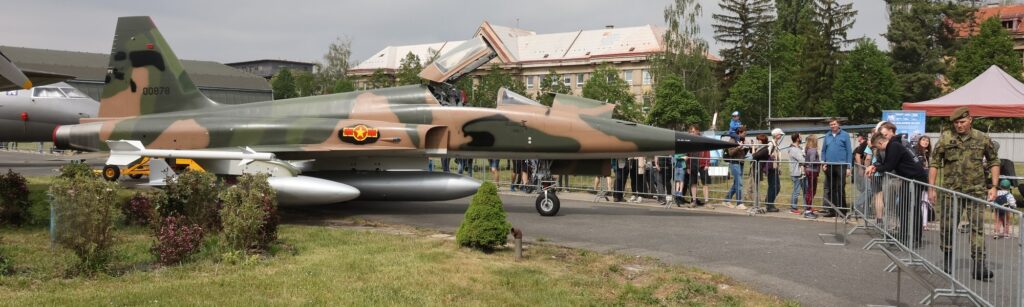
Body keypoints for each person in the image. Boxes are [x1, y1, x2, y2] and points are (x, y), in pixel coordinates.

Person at [929, 106, 999, 280]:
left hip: (975, 191)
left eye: (962, 122)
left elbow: (994, 160)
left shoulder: (982, 138)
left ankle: (979, 266)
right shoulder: (946, 138)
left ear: (970, 120)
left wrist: (994, 186)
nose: (959, 125)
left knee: (977, 229)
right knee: (947, 227)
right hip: (950, 192)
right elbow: (935, 162)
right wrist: (931, 188)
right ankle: (948, 260)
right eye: (956, 123)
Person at [865, 133, 927, 249]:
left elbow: (888, 166)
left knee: (913, 208)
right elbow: (885, 164)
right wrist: (874, 166)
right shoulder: (892, 146)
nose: (878, 150)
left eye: (877, 148)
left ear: (880, 143)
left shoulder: (893, 147)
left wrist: (875, 168)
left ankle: (915, 238)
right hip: (908, 179)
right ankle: (904, 235)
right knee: (902, 207)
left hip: (915, 178)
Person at [821, 117, 852, 218]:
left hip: (841, 166)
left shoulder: (845, 135)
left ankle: (843, 211)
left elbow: (849, 152)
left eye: (834, 124)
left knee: (840, 188)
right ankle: (832, 210)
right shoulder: (827, 135)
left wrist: (848, 167)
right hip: (829, 165)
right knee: (831, 188)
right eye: (831, 124)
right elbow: (823, 151)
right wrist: (823, 162)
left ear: (838, 124)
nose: (832, 126)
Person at [723, 126, 748, 209]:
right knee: (739, 183)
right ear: (739, 133)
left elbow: (743, 153)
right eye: (744, 133)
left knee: (736, 183)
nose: (745, 135)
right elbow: (730, 153)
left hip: (740, 163)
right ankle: (739, 203)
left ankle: (726, 200)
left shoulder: (742, 140)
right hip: (734, 163)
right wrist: (738, 147)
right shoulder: (732, 140)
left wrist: (747, 148)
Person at [687, 125, 710, 207]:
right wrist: (688, 167)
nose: (692, 133)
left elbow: (707, 152)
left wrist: (707, 163)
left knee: (705, 183)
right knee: (693, 183)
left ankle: (707, 202)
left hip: (703, 164)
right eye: (691, 132)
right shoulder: (689, 141)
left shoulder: (703, 140)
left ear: (697, 131)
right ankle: (694, 201)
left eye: (693, 131)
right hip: (693, 164)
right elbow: (688, 154)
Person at [762, 129, 784, 212]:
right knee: (773, 186)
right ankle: (769, 204)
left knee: (776, 187)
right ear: (776, 135)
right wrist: (770, 156)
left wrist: (779, 168)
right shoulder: (771, 144)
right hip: (771, 169)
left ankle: (769, 202)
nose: (781, 136)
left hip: (775, 168)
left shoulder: (775, 144)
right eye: (780, 134)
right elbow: (766, 154)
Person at [787, 133, 806, 214]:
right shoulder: (794, 149)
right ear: (797, 139)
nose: (802, 138)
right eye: (801, 137)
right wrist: (805, 156)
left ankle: (807, 207)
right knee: (797, 191)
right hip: (796, 173)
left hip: (801, 172)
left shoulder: (799, 148)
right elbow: (803, 160)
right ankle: (793, 208)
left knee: (805, 190)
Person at [804, 135, 821, 219]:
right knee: (811, 191)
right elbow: (812, 161)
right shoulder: (813, 150)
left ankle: (808, 209)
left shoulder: (808, 149)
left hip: (809, 171)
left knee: (810, 191)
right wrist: (820, 162)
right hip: (812, 171)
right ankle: (808, 210)